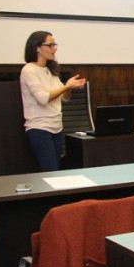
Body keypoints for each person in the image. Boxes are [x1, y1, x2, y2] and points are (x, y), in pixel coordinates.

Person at [20, 31, 86, 171]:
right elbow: (43, 98)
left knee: (55, 172)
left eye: (55, 45)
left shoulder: (50, 69)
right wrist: (66, 86)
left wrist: (69, 86)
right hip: (39, 128)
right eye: (50, 45)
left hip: (57, 127)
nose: (54, 48)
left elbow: (64, 98)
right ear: (37, 48)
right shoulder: (29, 70)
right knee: (50, 171)